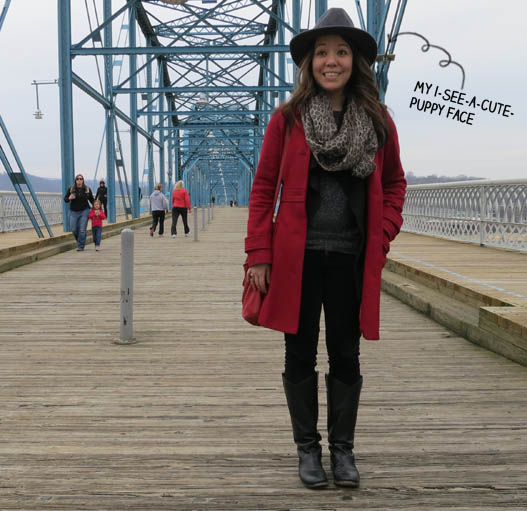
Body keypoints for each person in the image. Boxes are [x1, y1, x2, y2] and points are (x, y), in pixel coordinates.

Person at [244, 8, 406, 489]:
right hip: (298, 258)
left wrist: (383, 233)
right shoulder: (287, 118)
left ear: (355, 61)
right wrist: (259, 254)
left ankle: (344, 450)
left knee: (346, 353)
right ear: (309, 62)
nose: (331, 61)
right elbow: (262, 187)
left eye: (341, 52)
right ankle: (307, 450)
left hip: (352, 257)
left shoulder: (378, 121)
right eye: (322, 52)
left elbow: (395, 184)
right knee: (299, 354)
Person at [64, 174, 95, 251]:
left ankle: (80, 246)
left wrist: (97, 208)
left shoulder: (87, 189)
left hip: (85, 211)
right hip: (73, 211)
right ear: (75, 180)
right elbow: (65, 199)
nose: (79, 180)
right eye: (77, 179)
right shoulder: (71, 189)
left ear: (83, 180)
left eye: (81, 179)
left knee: (82, 229)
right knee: (74, 229)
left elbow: (92, 199)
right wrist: (69, 198)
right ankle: (81, 239)